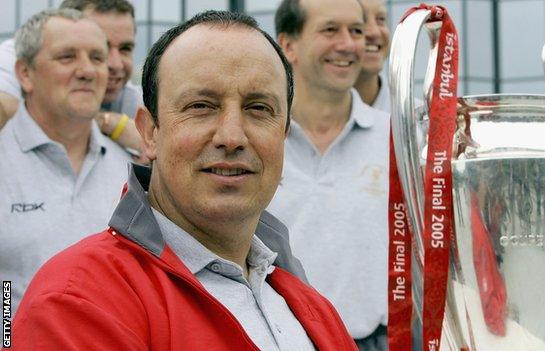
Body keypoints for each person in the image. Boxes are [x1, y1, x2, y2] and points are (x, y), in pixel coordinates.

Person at [11, 10, 356, 350]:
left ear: (283, 135)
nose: (232, 136)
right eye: (201, 106)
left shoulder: (311, 306)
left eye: (258, 108)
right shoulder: (76, 303)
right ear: (149, 133)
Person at [271, 0, 390, 349]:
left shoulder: (399, 137)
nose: (349, 43)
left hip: (375, 342)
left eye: (355, 30)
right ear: (288, 45)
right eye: (330, 30)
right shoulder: (258, 139)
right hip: (276, 340)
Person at [0, 9, 132, 311]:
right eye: (67, 57)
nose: (87, 70)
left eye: (96, 58)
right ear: (25, 73)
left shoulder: (132, 171)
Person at [0, 0, 143, 154]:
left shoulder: (133, 98)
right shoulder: (20, 55)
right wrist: (112, 124)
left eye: (125, 49)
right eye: (101, 48)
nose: (116, 64)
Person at [354, 0, 391, 112]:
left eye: (381, 19)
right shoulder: (301, 119)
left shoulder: (419, 120)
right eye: (360, 20)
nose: (374, 32)